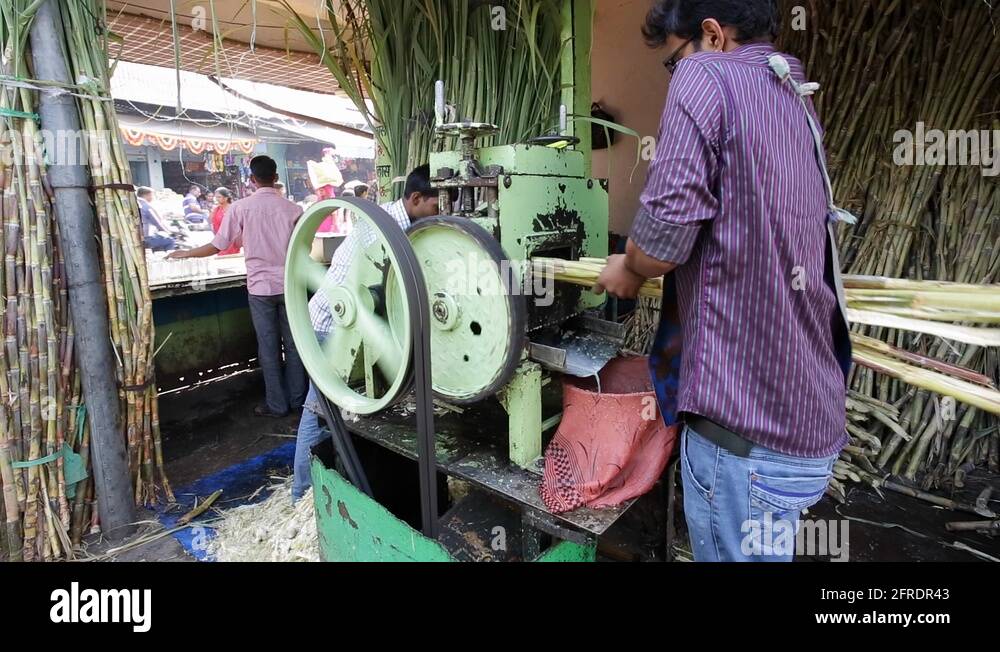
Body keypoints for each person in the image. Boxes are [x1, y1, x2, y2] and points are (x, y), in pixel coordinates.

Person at [594, 0, 852, 562]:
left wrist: (628, 267)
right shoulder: (791, 92)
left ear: (711, 34)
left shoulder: (707, 75)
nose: (675, 72)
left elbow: (663, 241)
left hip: (745, 437)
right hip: (807, 423)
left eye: (673, 60)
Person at [291, 164, 440, 501]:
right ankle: (301, 495)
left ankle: (353, 486)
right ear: (416, 198)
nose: (440, 213)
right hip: (331, 328)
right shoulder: (382, 229)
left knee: (341, 412)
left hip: (355, 329)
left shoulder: (406, 226)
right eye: (437, 205)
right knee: (319, 412)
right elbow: (376, 290)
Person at [169, 156, 308, 418]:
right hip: (290, 285)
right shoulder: (294, 209)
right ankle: (299, 402)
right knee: (295, 345)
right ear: (275, 178)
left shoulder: (240, 208)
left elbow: (218, 245)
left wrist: (185, 253)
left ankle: (277, 406)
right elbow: (304, 249)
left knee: (268, 348)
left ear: (252, 179)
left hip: (259, 289)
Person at [136, 187, 176, 252]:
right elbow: (157, 223)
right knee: (170, 240)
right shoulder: (146, 206)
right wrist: (169, 232)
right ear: (146, 195)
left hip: (136, 236)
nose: (152, 197)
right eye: (152, 195)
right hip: (146, 238)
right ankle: (170, 258)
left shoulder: (135, 205)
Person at [211, 188, 241, 256]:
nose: (217, 199)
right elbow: (213, 224)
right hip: (220, 240)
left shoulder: (233, 209)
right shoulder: (216, 209)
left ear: (226, 198)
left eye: (219, 197)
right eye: (216, 197)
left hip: (232, 241)